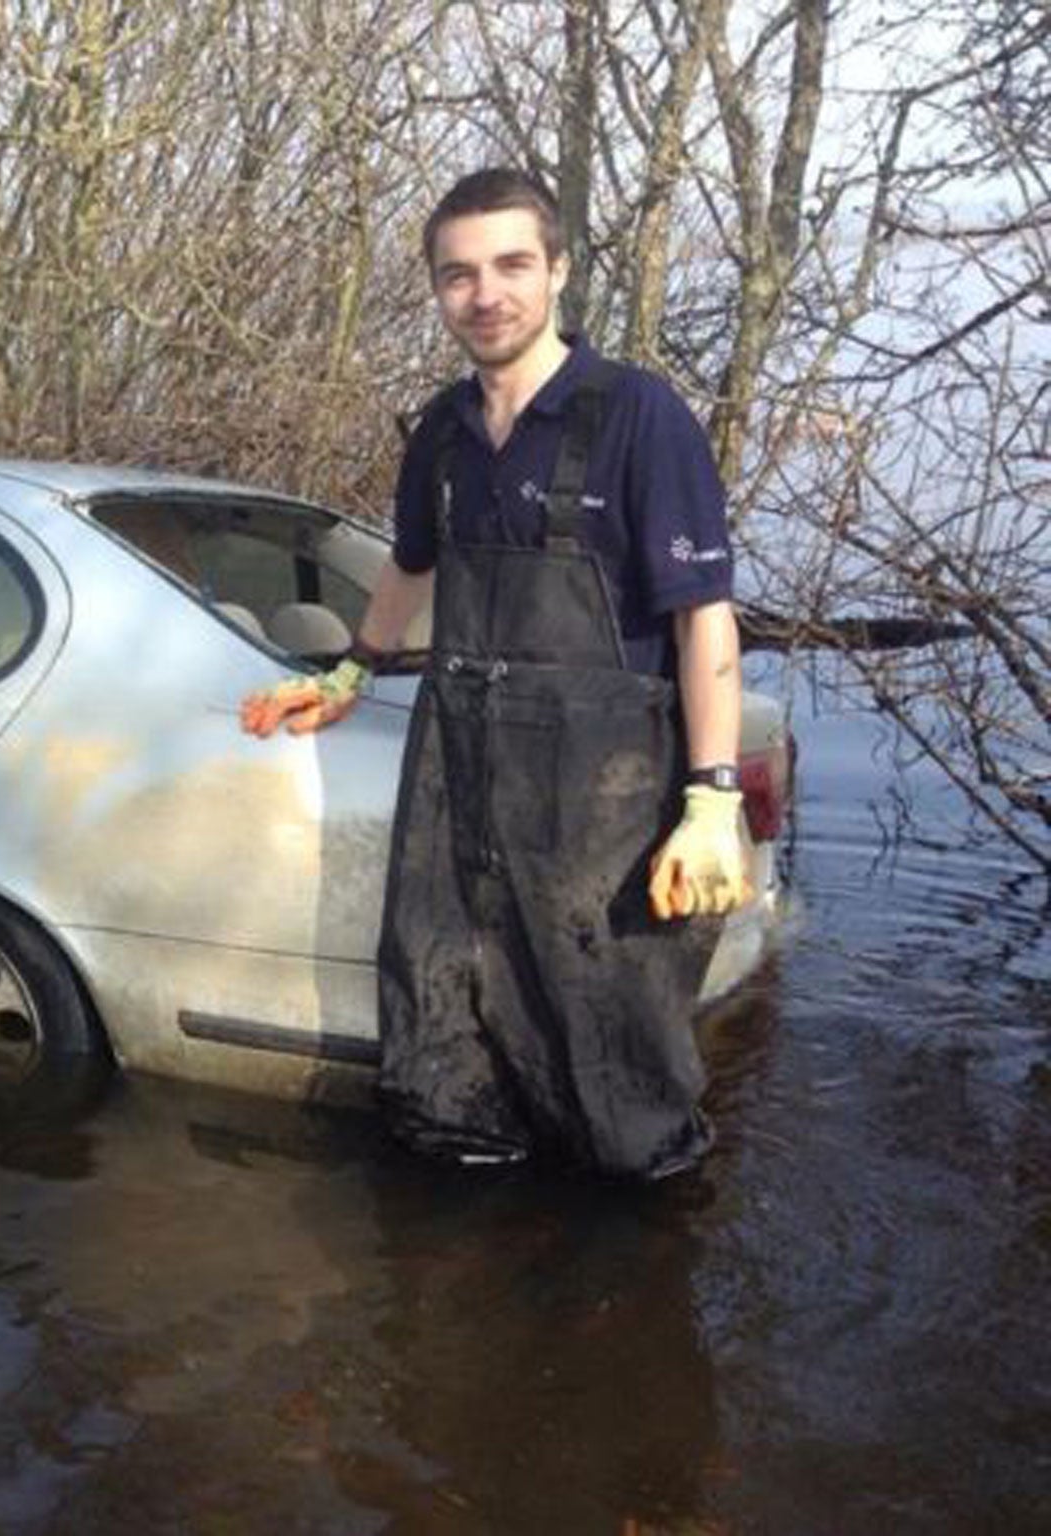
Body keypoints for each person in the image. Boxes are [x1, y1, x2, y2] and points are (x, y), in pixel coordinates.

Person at [242, 168, 751, 1178]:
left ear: (556, 271)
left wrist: (709, 797)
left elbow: (702, 618)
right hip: (461, 781)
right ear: (435, 291)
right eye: (457, 274)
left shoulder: (636, 418)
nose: (486, 294)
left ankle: (634, 1263)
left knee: (610, 1061)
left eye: (511, 264)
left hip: (600, 805)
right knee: (445, 1022)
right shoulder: (439, 432)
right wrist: (350, 672)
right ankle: (463, 1225)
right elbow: (409, 565)